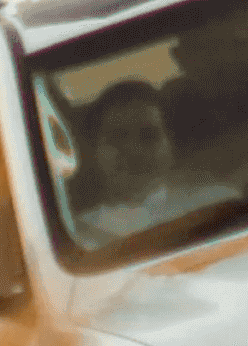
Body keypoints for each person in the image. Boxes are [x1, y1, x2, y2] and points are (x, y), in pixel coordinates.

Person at [74, 78, 203, 239]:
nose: (135, 151)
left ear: (171, 144)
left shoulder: (212, 204)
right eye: (117, 137)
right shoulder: (78, 236)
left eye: (148, 136)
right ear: (95, 152)